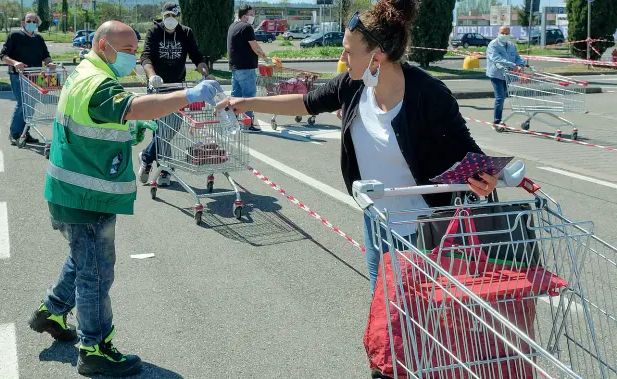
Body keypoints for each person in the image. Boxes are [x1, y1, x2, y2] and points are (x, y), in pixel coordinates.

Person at [218, 0, 499, 295]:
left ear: (376, 58)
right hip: (376, 220)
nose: (342, 57)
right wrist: (244, 103)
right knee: (384, 309)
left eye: (349, 52)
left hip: (421, 230)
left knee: (415, 319)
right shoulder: (352, 85)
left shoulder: (428, 94)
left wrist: (484, 178)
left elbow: (470, 155)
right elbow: (306, 101)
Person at [26, 21, 223, 377]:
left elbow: (99, 121)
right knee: (96, 274)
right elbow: (132, 106)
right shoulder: (97, 82)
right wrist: (189, 96)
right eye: (128, 51)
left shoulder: (86, 70)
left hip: (71, 189)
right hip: (85, 195)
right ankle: (95, 348)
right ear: (104, 46)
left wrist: (128, 130)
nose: (133, 58)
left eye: (135, 50)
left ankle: (52, 310)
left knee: (82, 257)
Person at [138, 2, 211, 186]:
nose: (169, 19)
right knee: (162, 129)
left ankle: (146, 157)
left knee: (171, 129)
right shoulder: (154, 32)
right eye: (167, 16)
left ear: (178, 17)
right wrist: (152, 76)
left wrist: (204, 71)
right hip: (157, 88)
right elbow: (145, 57)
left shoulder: (185, 33)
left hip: (177, 87)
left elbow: (196, 55)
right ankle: (165, 169)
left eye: (173, 16)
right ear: (162, 16)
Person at [0, 12, 56, 145]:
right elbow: (3, 56)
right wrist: (15, 63)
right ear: (23, 23)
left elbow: (45, 55)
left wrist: (49, 63)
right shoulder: (14, 36)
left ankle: (25, 132)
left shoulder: (39, 39)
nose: (32, 23)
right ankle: (14, 133)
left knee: (31, 104)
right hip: (18, 75)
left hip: (35, 75)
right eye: (29, 21)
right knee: (22, 104)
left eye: (34, 21)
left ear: (37, 24)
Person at [227, 4, 266, 133]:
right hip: (246, 68)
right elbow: (255, 47)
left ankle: (233, 123)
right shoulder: (247, 27)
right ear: (244, 16)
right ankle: (247, 124)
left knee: (235, 97)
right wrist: (266, 58)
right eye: (251, 14)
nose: (253, 17)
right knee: (249, 97)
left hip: (235, 68)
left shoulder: (233, 26)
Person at [486, 26, 527, 131]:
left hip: (508, 76)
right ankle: (496, 122)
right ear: (498, 33)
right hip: (496, 74)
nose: (504, 35)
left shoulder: (511, 45)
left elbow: (517, 57)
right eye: (502, 33)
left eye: (507, 33)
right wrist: (513, 65)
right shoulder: (493, 45)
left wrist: (521, 64)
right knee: (500, 98)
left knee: (503, 96)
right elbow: (496, 59)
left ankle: (499, 120)